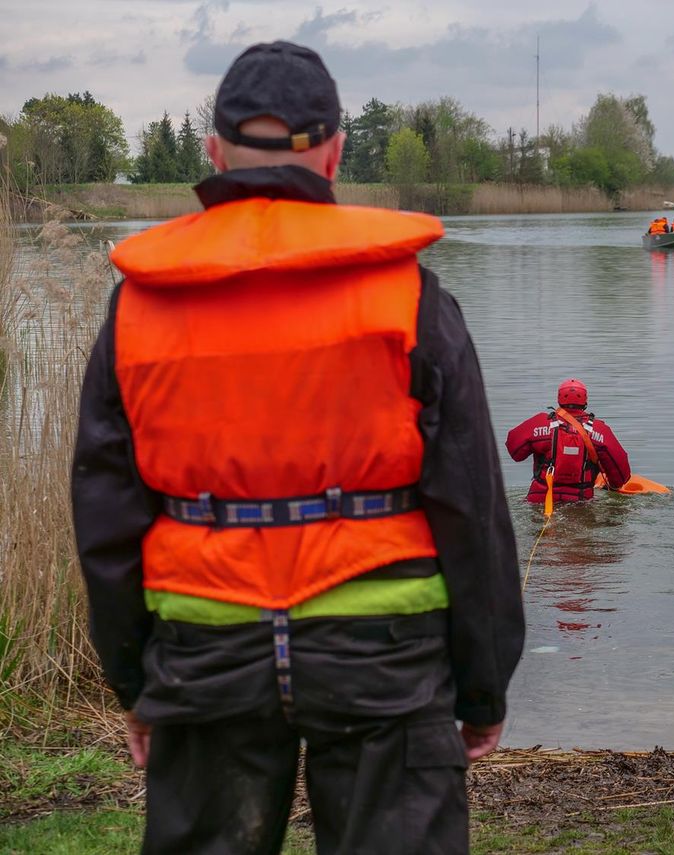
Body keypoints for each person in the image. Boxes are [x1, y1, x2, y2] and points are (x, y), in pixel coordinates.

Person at [71, 40, 524, 854]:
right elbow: (471, 504)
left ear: (211, 152)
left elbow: (105, 515)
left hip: (207, 651)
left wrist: (137, 682)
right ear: (337, 151)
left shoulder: (138, 306)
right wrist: (483, 683)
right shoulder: (410, 296)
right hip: (382, 651)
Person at [505, 379, 631, 504]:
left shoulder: (539, 423)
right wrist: (612, 486)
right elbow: (621, 475)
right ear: (585, 401)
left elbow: (514, 451)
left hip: (539, 501)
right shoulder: (600, 430)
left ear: (559, 399)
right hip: (581, 503)